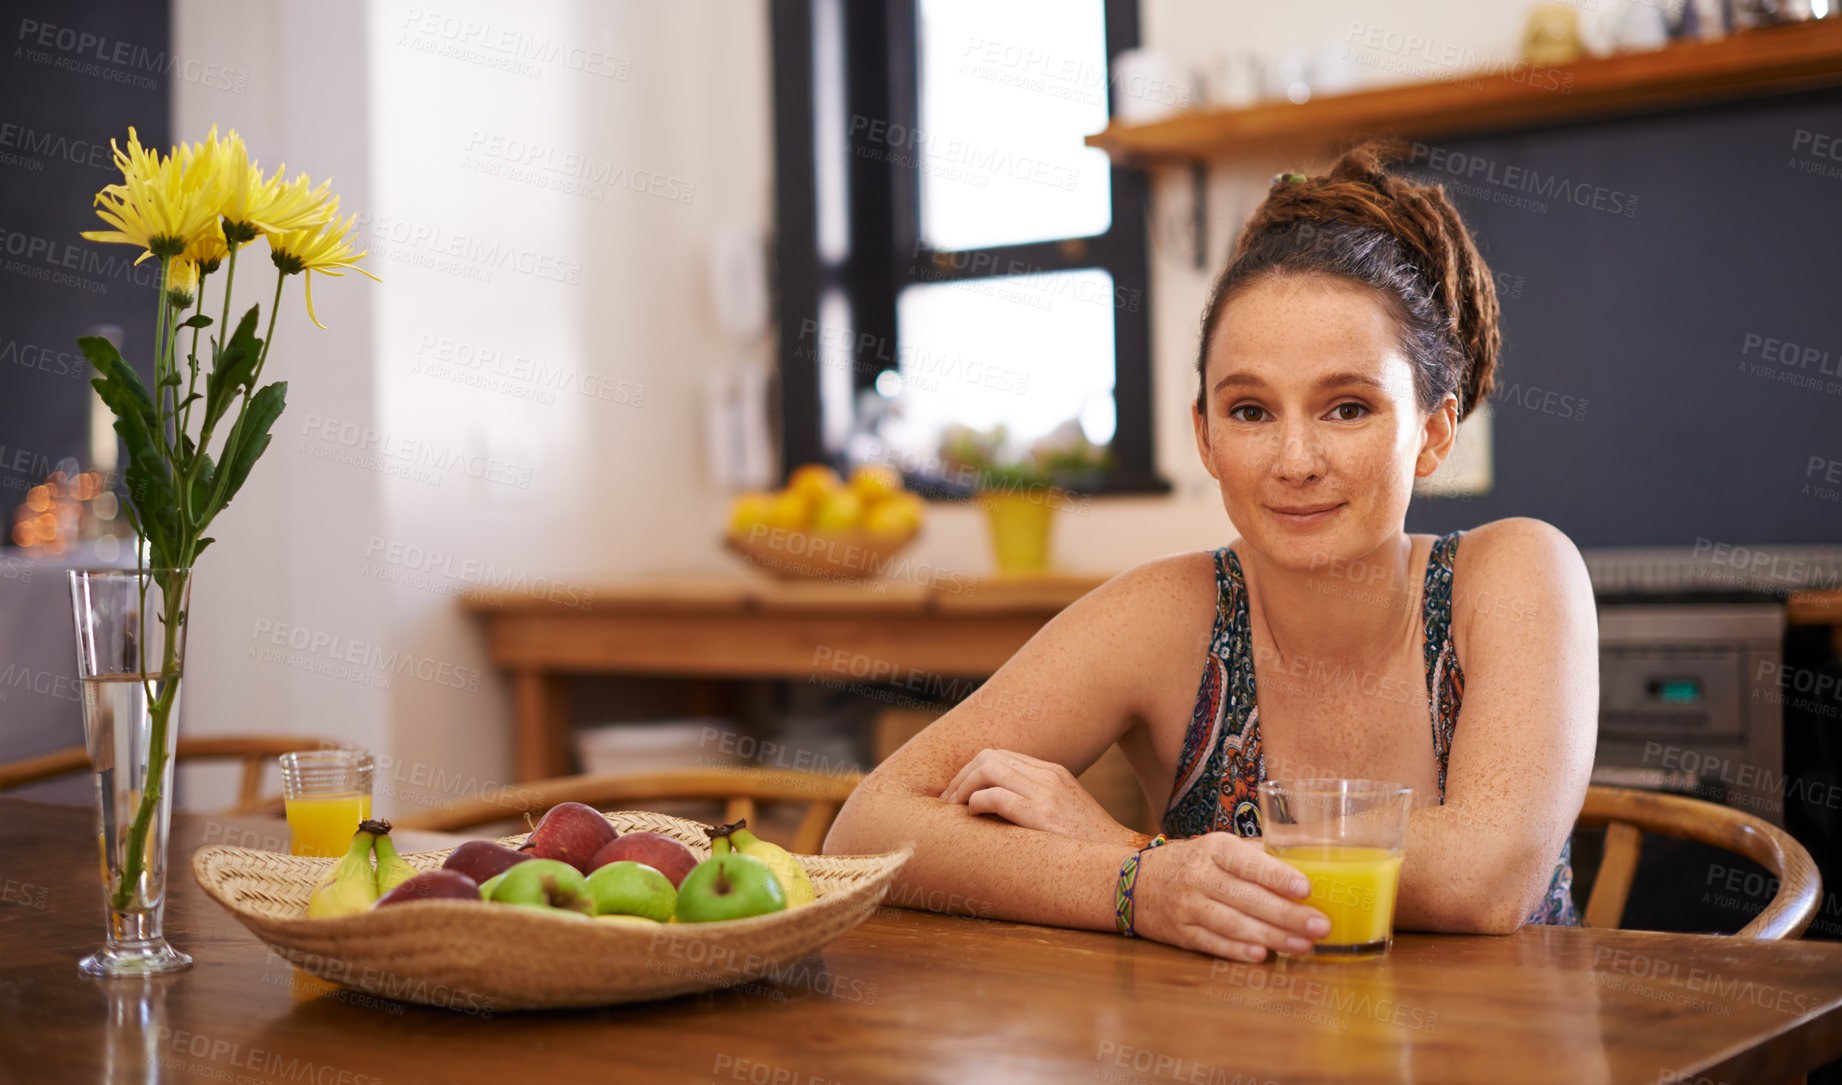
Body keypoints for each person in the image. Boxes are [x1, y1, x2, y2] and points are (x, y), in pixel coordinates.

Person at [823, 142, 1598, 963]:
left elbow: (1486, 878)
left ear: (1433, 432)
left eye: (1346, 407)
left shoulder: (1517, 572)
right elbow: (869, 828)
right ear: (1204, 434)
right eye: (1251, 411)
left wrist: (1136, 855)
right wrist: (1136, 886)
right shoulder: (1170, 613)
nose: (1295, 459)